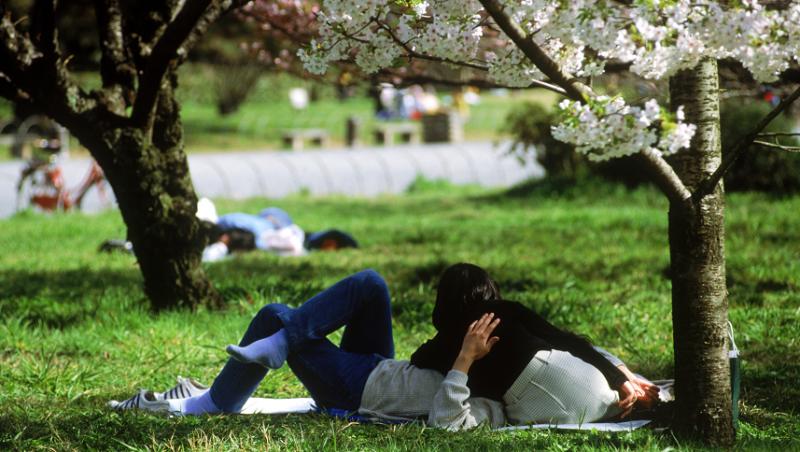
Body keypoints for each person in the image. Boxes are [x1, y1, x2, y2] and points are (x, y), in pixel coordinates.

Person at [111, 270, 506, 430]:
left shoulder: (480, 375)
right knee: (370, 285)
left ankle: (210, 403)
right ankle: (282, 343)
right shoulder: (470, 345)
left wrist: (465, 359)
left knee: (273, 314)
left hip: (357, 391)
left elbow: (447, 422)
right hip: (378, 369)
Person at [410, 263, 659, 424]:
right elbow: (569, 341)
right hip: (577, 377)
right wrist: (619, 379)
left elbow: (417, 359)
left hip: (542, 404)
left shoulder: (446, 341)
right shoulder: (506, 310)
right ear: (489, 290)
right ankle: (636, 396)